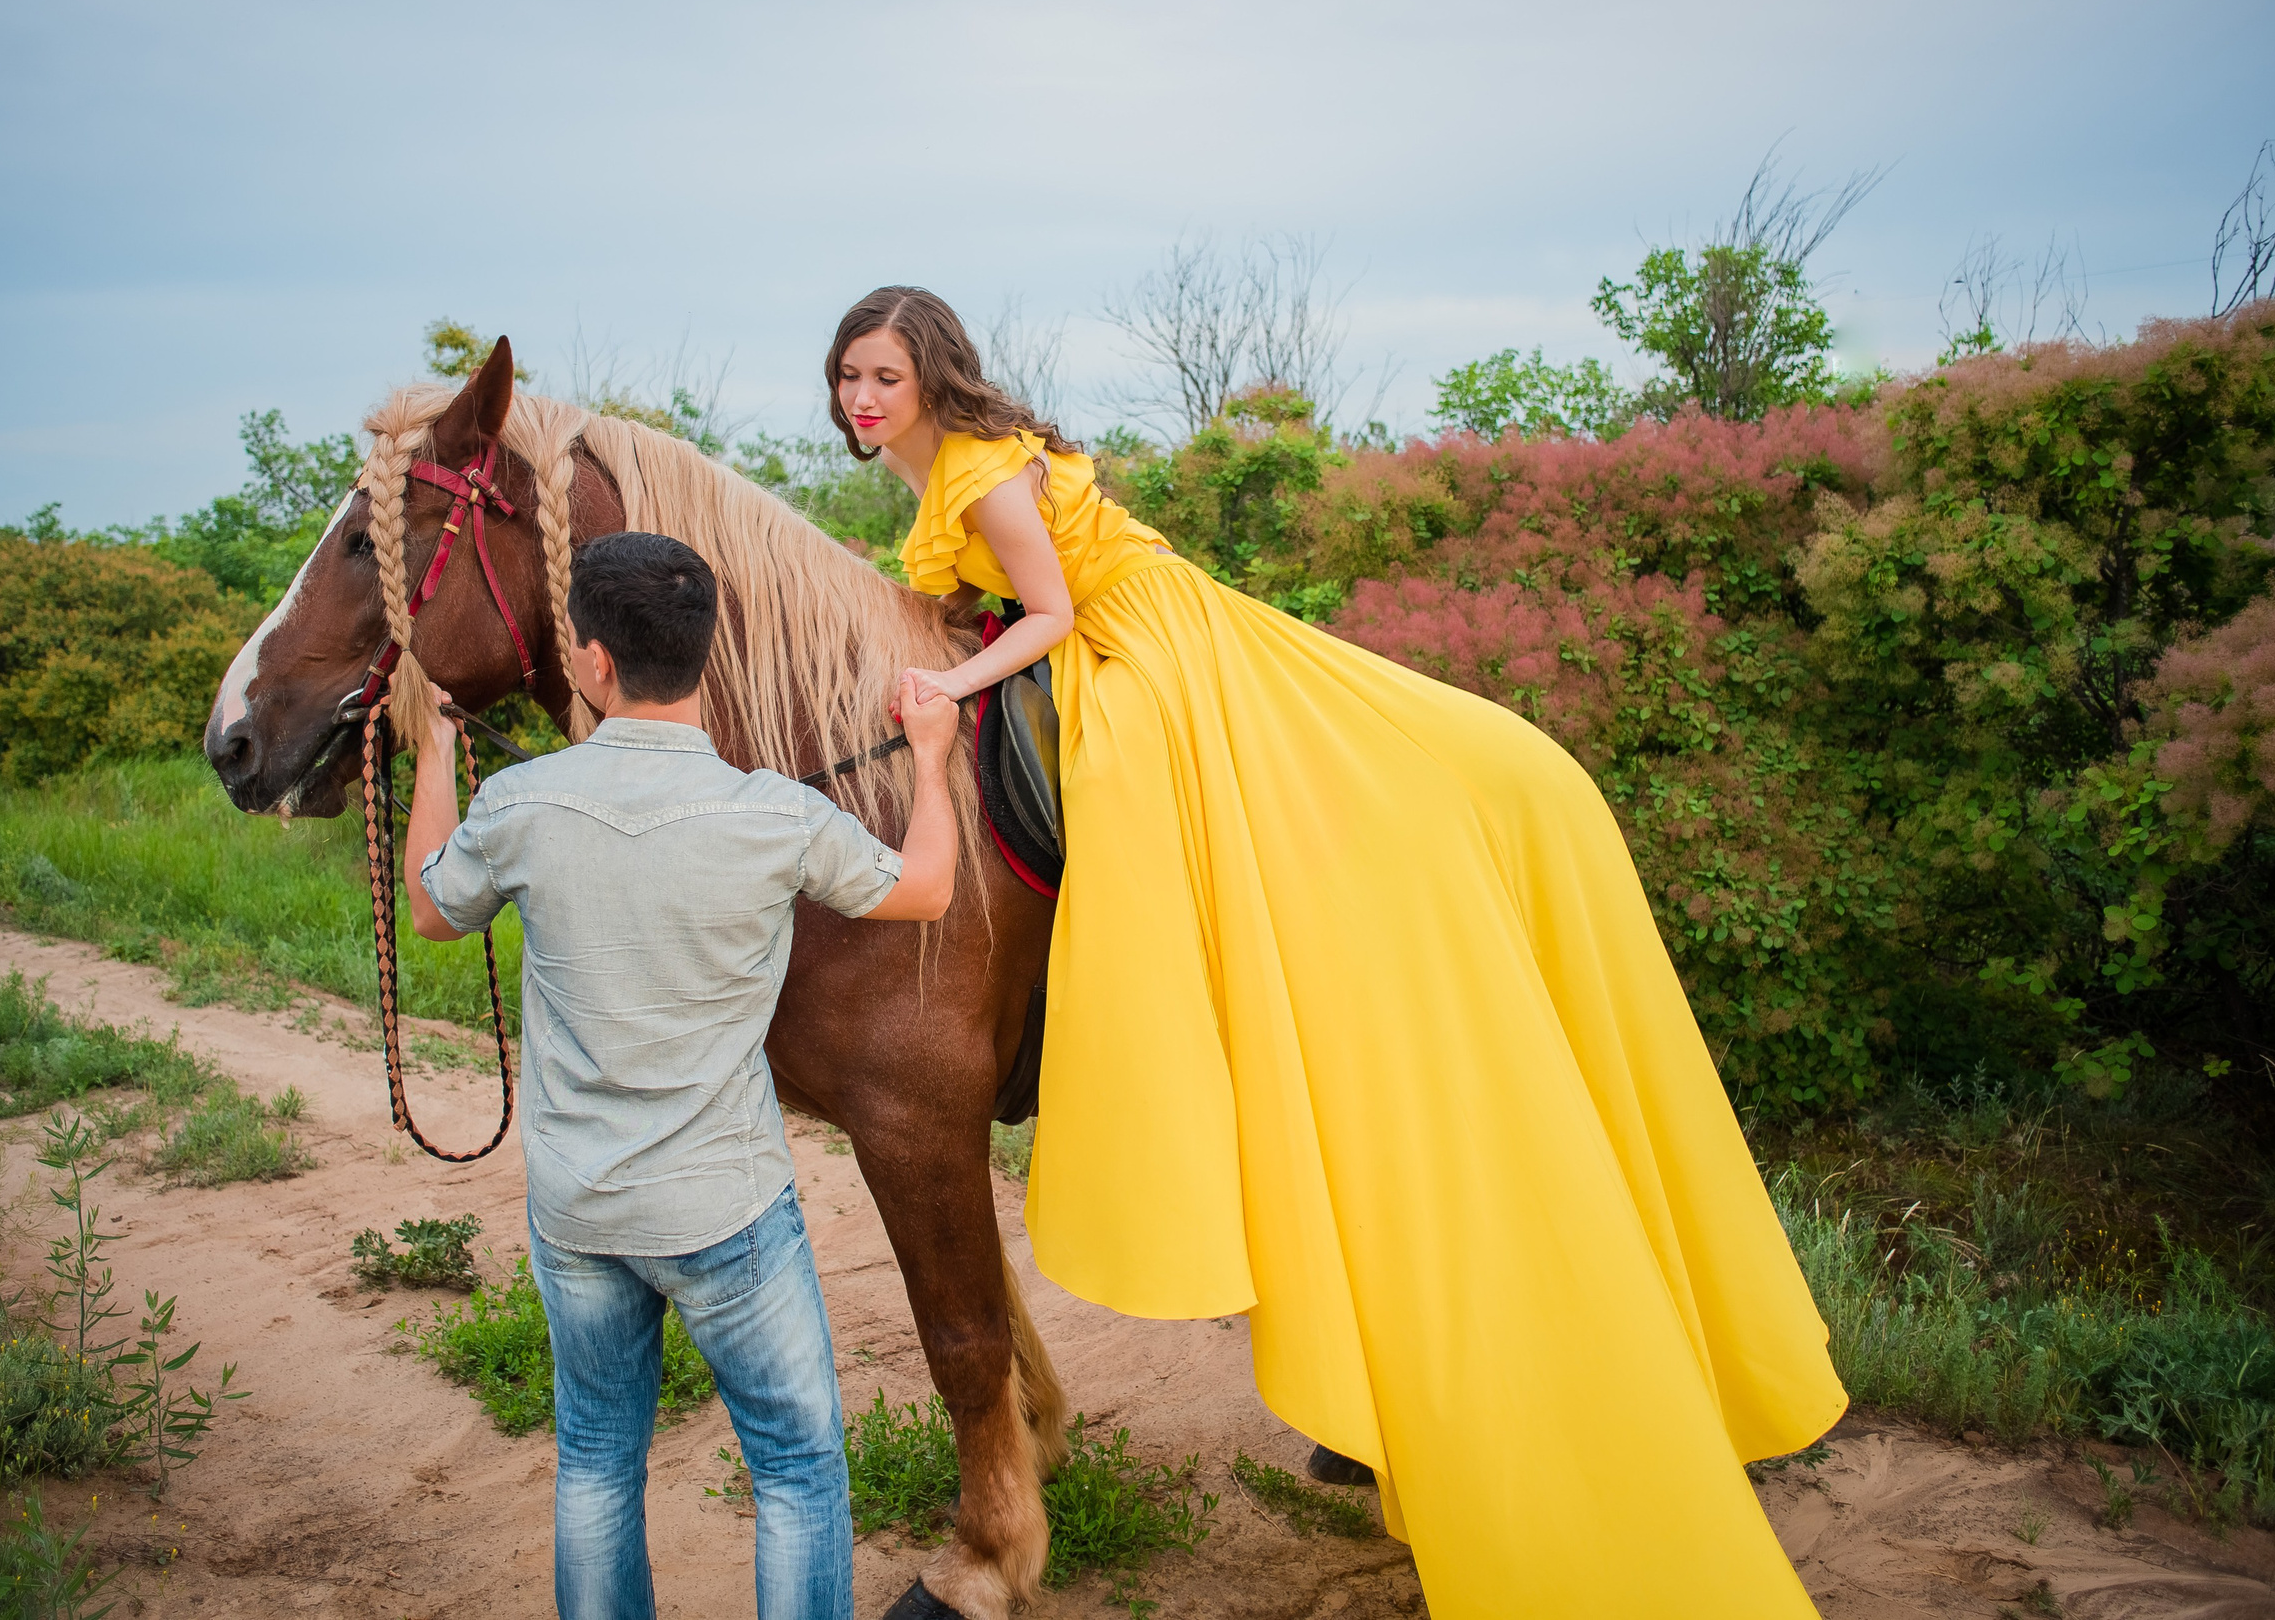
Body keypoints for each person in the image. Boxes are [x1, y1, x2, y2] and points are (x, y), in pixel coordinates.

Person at [833, 287, 1847, 1618]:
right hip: (1121, 625)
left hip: (1141, 643)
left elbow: (1053, 613)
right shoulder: (929, 467)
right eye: (850, 376)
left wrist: (947, 693)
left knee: (1135, 810)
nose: (864, 399)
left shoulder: (972, 468)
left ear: (932, 378)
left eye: (887, 376)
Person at [407, 530, 965, 1620]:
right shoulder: (776, 815)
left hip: (579, 1208)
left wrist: (433, 751)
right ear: (702, 655)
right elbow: (929, 888)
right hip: (727, 1209)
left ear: (592, 661)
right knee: (798, 1470)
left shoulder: (522, 805)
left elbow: (430, 905)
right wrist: (933, 756)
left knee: (597, 1459)